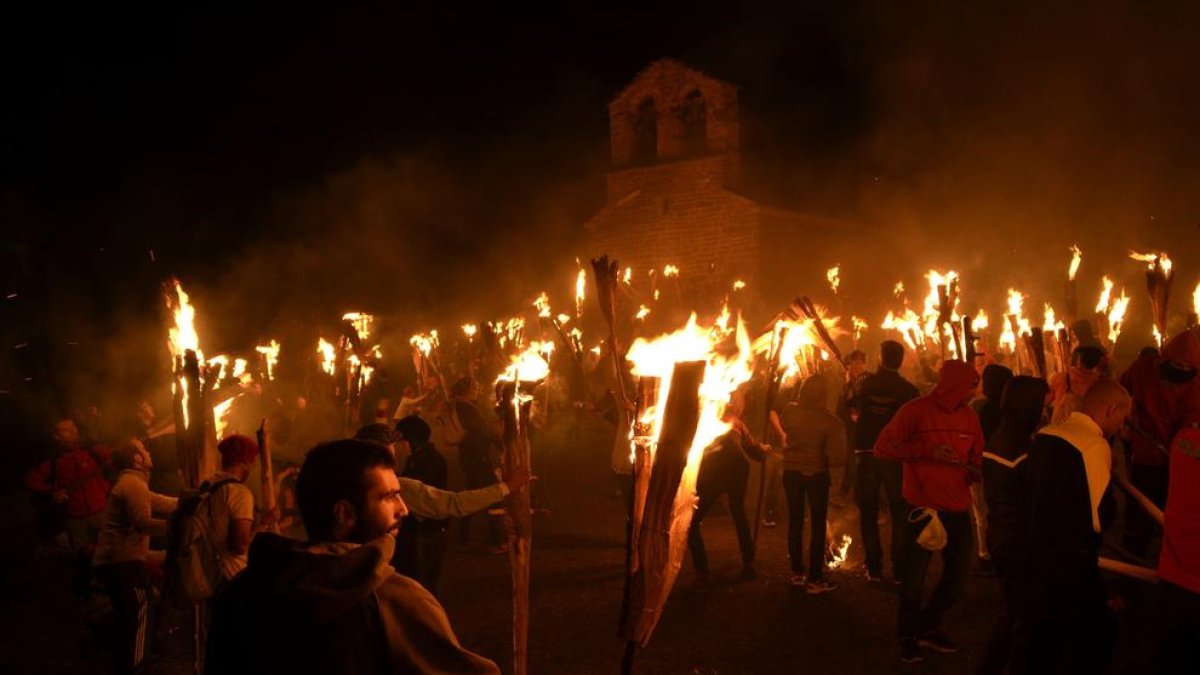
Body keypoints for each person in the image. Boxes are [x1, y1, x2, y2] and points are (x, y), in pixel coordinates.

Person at [205, 439, 500, 674]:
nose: (403, 509)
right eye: (388, 497)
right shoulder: (395, 601)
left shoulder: (240, 592)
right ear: (346, 513)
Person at [1010, 381, 1129, 673]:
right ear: (1111, 409)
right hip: (1070, 562)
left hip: (1032, 552)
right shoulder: (1093, 445)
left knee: (1040, 639)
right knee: (1090, 636)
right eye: (1122, 419)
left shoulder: (1046, 434)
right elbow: (1099, 517)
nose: (1121, 427)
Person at [875, 359, 983, 664]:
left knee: (958, 576)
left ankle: (929, 625)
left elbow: (977, 457)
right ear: (956, 386)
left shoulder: (970, 419)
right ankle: (907, 636)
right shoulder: (914, 411)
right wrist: (926, 451)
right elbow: (883, 448)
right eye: (971, 386)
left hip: (957, 510)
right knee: (913, 580)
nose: (975, 392)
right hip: (921, 510)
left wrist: (974, 470)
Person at [354, 421, 528, 593]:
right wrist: (506, 488)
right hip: (399, 569)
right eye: (393, 449)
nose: (401, 451)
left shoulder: (346, 483)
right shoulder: (399, 487)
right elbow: (454, 504)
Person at [977, 376, 1049, 675]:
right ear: (1029, 406)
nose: (1046, 411)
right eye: (1043, 405)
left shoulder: (1003, 435)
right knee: (1025, 620)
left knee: (1012, 613)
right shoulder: (1020, 449)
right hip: (1018, 543)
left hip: (1003, 536)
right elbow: (1033, 502)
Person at [92, 439, 178, 675]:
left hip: (117, 563)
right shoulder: (132, 485)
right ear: (137, 459)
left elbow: (165, 502)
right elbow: (142, 524)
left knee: (145, 607)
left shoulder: (133, 483)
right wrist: (176, 528)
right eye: (144, 450)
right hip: (122, 565)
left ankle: (132, 660)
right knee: (142, 608)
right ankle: (135, 668)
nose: (149, 452)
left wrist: (194, 501)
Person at [1119, 329, 1200, 562]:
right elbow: (1121, 393)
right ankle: (1130, 577)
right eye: (1177, 366)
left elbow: (1192, 423)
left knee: (1173, 518)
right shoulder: (1141, 369)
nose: (1181, 372)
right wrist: (1127, 416)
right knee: (1139, 516)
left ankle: (1169, 566)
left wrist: (1179, 447)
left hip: (1178, 461)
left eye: (1187, 369)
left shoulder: (1196, 384)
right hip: (1145, 456)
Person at [852, 340, 920, 583]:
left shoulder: (863, 384)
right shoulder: (909, 391)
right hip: (894, 455)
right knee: (899, 512)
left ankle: (874, 568)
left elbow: (849, 408)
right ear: (900, 361)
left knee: (868, 512)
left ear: (880, 358)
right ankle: (900, 569)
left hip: (867, 453)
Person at [772, 375, 845, 592]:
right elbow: (838, 455)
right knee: (817, 525)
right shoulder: (829, 421)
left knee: (795, 522)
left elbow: (786, 434)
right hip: (816, 474)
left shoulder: (789, 411)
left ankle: (796, 573)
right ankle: (815, 578)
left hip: (792, 472)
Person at [688, 392, 768, 583]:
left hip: (721, 470)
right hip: (733, 468)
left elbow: (753, 449)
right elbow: (754, 451)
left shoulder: (708, 421)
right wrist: (762, 451)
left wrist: (761, 450)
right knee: (738, 511)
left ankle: (702, 571)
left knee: (693, 522)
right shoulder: (732, 421)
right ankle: (748, 562)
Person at [25, 416, 112, 561]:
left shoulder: (91, 450)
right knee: (85, 559)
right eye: (67, 430)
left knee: (111, 554)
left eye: (74, 427)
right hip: (76, 521)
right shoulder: (53, 461)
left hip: (103, 513)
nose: (74, 432)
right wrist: (51, 492)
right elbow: (31, 480)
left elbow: (112, 458)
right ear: (56, 436)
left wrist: (106, 482)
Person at [450, 377, 506, 553]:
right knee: (495, 496)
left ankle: (462, 539)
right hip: (477, 459)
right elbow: (482, 430)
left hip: (469, 458)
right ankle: (496, 542)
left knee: (471, 497)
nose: (477, 391)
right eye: (474, 388)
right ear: (466, 390)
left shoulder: (458, 406)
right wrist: (500, 443)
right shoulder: (466, 409)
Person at [200, 434, 264, 585]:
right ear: (247, 461)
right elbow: (239, 546)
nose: (254, 466)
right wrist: (265, 524)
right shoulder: (239, 493)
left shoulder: (207, 484)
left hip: (207, 573)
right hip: (232, 578)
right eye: (253, 461)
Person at [968, 364, 1012, 575]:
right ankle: (997, 551)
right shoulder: (1009, 406)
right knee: (999, 510)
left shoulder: (976, 406)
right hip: (1001, 466)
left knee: (982, 513)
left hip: (979, 465)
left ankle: (985, 553)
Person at [835, 350, 869, 502]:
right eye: (852, 363)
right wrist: (849, 415)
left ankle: (864, 496)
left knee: (866, 463)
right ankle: (846, 492)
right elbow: (840, 409)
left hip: (868, 430)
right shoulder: (846, 386)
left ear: (865, 365)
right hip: (852, 430)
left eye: (859, 363)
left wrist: (863, 416)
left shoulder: (871, 382)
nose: (855, 367)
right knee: (851, 460)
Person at [1047, 346, 1108, 424]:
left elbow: (1046, 401)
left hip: (1060, 428)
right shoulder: (1101, 385)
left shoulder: (1061, 378)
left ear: (1079, 361)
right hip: (1087, 429)